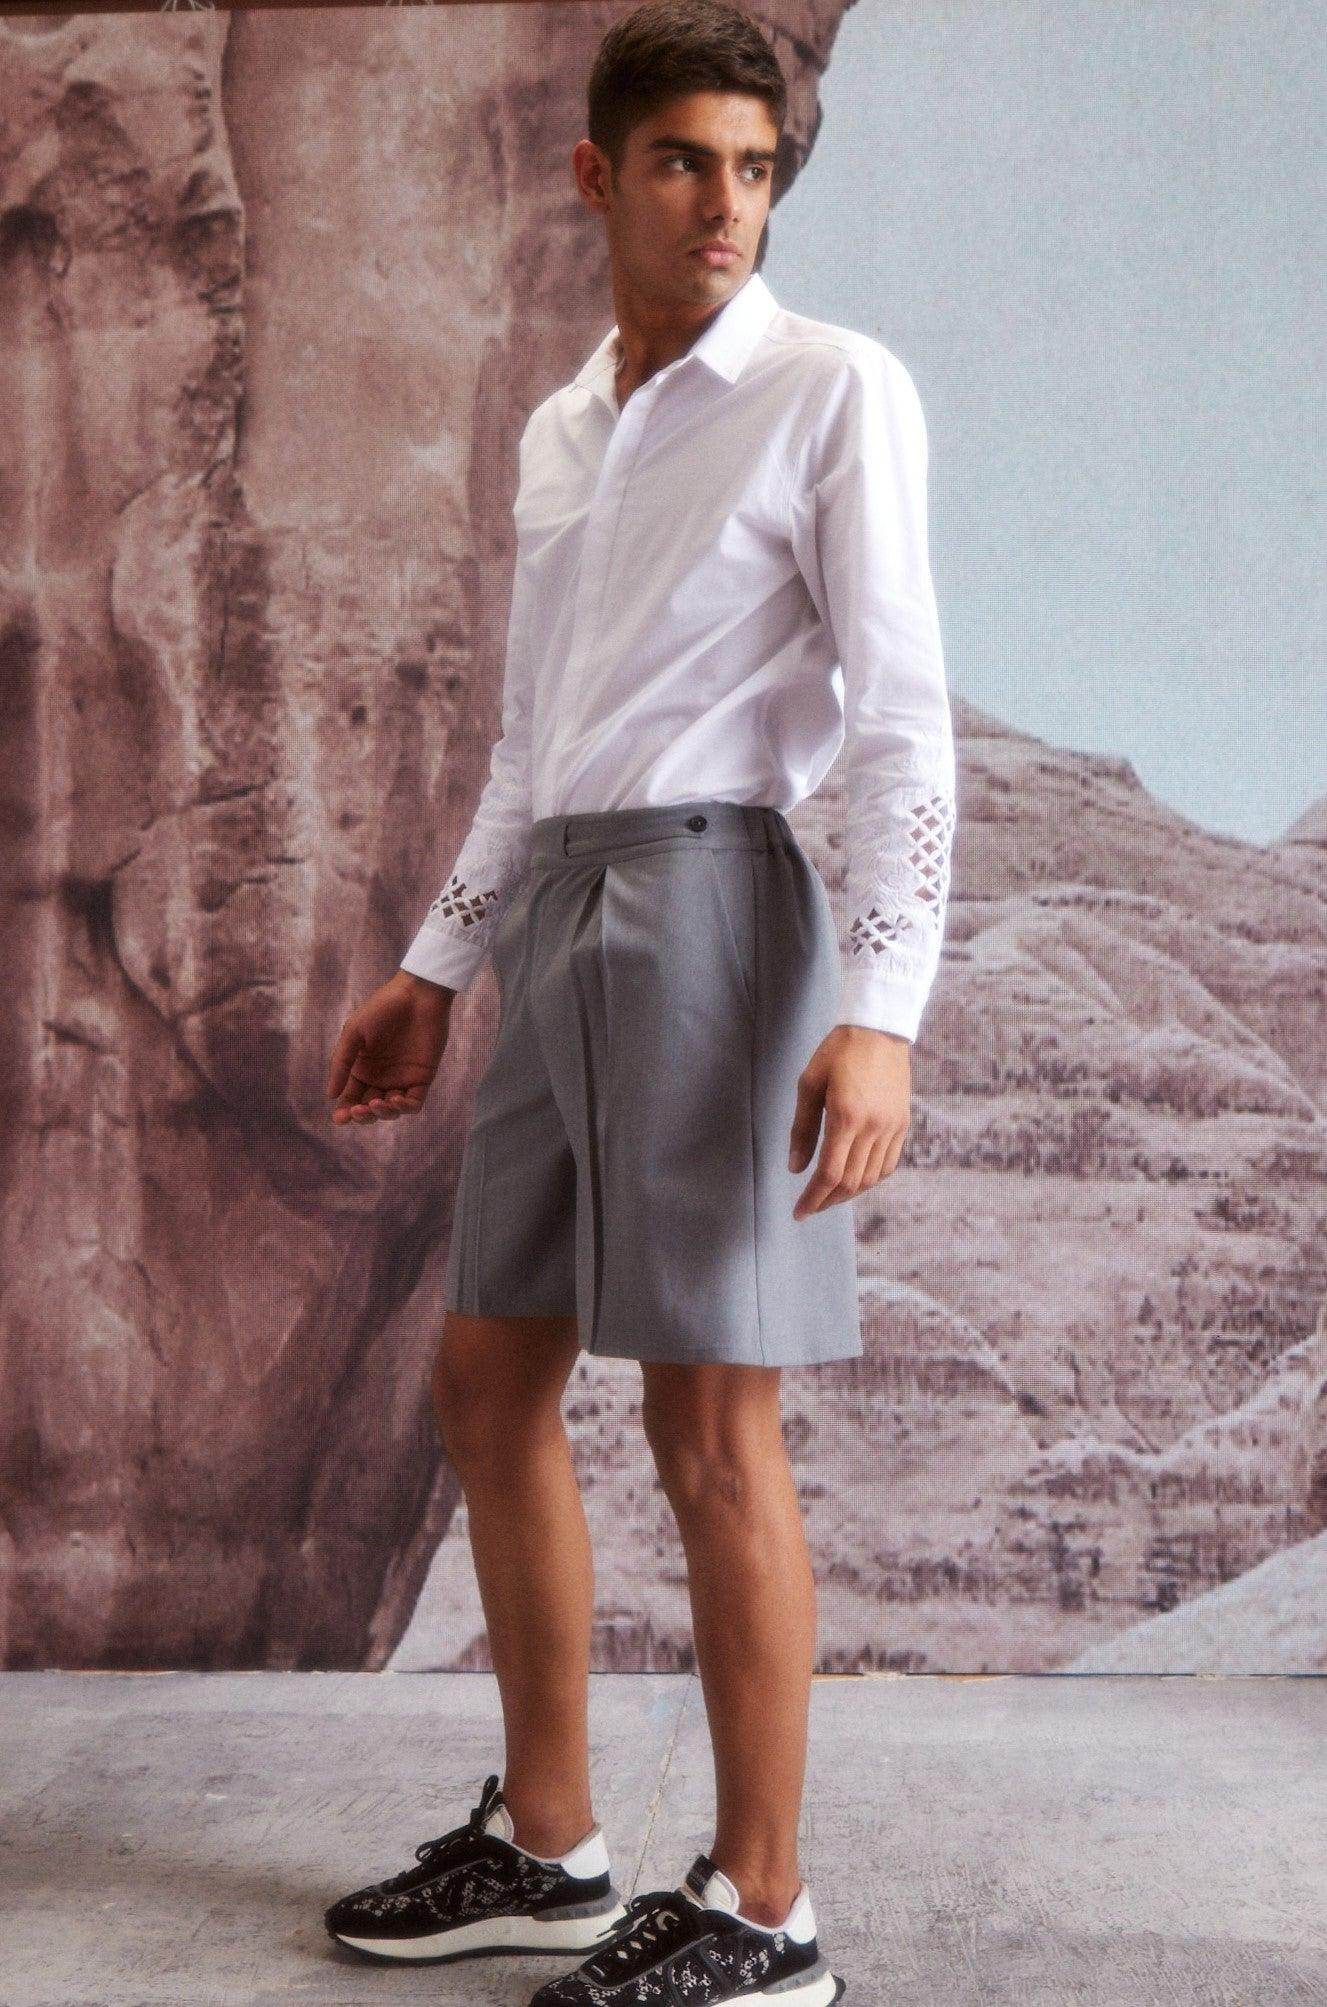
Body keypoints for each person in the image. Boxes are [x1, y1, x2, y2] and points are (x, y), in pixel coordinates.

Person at [321, 1, 956, 1999]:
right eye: (685, 161)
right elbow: (533, 744)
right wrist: (435, 963)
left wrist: (885, 1006)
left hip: (711, 912)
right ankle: (549, 1842)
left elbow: (901, 721)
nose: (725, 204)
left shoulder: (833, 388)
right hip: (565, 911)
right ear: (599, 175)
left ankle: (766, 1912)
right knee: (487, 1380)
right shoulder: (561, 426)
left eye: (754, 169)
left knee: (710, 1425)